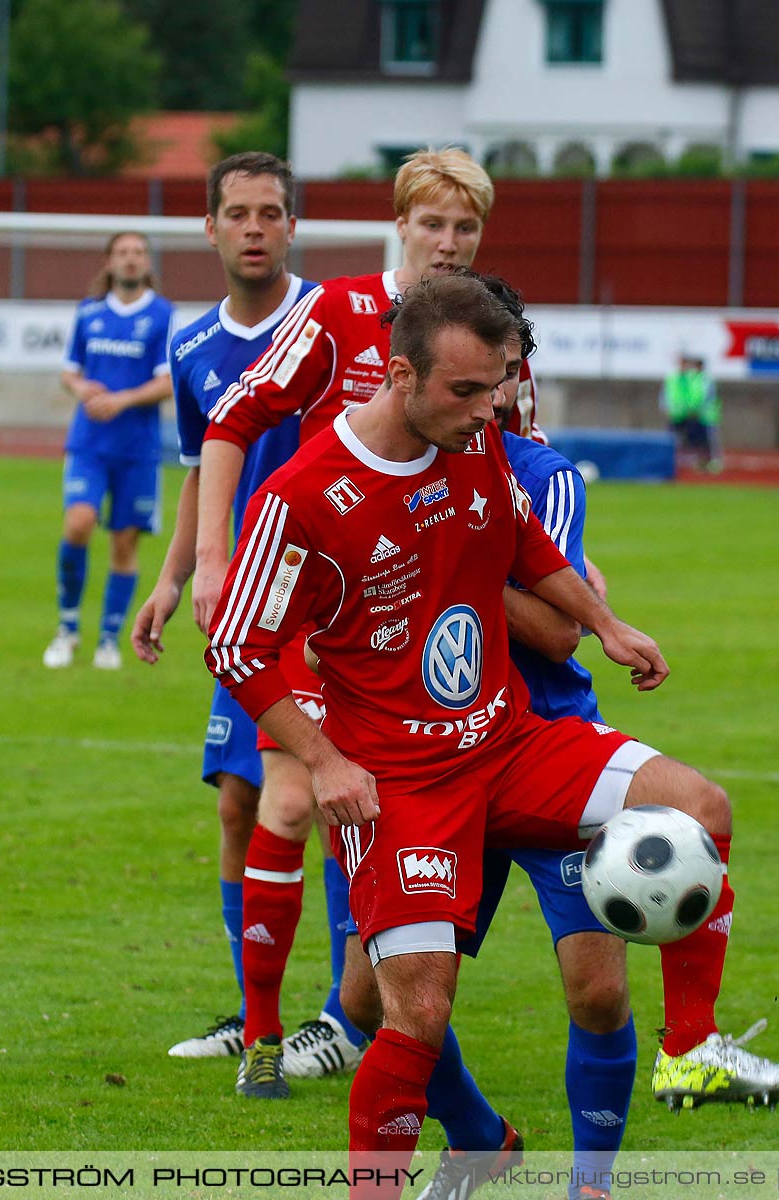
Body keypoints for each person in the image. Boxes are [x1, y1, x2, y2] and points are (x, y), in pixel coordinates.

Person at [206, 273, 779, 1199]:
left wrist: (605, 625)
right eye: (466, 390)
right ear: (399, 373)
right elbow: (236, 645)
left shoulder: (476, 442)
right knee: (415, 1013)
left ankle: (687, 1048)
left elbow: (522, 539)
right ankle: (456, 1152)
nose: (487, 408)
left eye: (496, 387)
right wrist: (324, 759)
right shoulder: (305, 496)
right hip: (399, 780)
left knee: (701, 808)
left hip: (513, 741)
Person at [185, 149, 519, 1099]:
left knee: (365, 819)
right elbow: (234, 417)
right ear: (400, 224)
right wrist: (210, 560)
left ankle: (349, 1019)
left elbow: (518, 467)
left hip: (422, 632)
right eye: (433, 225)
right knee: (286, 801)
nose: (448, 244)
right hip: (312, 606)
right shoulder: (336, 312)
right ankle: (260, 1035)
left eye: (465, 229)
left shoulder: (493, 333)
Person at [127, 152, 358, 1073]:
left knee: (336, 804)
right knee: (238, 805)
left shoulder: (334, 323)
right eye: (239, 213)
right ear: (211, 229)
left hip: (333, 604)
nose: (255, 227)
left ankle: (346, 1016)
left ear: (293, 226)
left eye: (271, 212)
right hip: (247, 607)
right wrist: (174, 578)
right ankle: (251, 1008)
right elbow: (201, 475)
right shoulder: (190, 350)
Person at [43, 232, 175, 671]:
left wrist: (121, 399)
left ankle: (108, 639)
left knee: (124, 543)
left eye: (139, 252)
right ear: (109, 262)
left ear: (147, 261)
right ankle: (67, 628)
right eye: (123, 253)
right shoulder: (89, 313)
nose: (131, 260)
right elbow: (69, 371)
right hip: (89, 443)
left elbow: (167, 382)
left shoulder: (161, 315)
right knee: (78, 522)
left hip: (137, 448)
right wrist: (83, 388)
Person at [660, 352, 720, 473]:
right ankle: (674, 462)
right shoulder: (673, 378)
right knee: (674, 439)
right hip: (677, 414)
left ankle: (707, 463)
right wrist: (666, 408)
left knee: (701, 440)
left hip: (696, 415)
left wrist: (694, 410)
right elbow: (665, 395)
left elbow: (700, 397)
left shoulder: (697, 379)